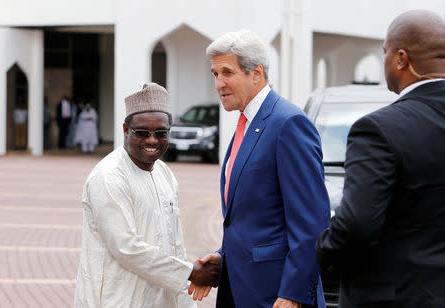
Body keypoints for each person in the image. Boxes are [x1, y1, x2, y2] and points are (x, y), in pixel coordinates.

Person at [190, 30, 330, 308]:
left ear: (256, 73)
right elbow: (256, 217)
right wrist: (224, 255)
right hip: (242, 288)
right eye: (215, 74)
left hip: (277, 295)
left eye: (227, 72)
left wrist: (294, 293)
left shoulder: (288, 124)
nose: (219, 83)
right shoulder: (246, 123)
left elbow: (311, 222)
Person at [315, 10, 445, 308]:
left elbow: (356, 226)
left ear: (401, 60)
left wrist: (318, 253)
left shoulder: (377, 130)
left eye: (384, 52)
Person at [74, 82, 219, 307]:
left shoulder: (165, 174)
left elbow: (175, 244)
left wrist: (187, 300)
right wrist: (191, 273)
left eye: (160, 133)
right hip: (117, 299)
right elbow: (126, 248)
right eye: (142, 132)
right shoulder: (109, 176)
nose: (152, 140)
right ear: (125, 130)